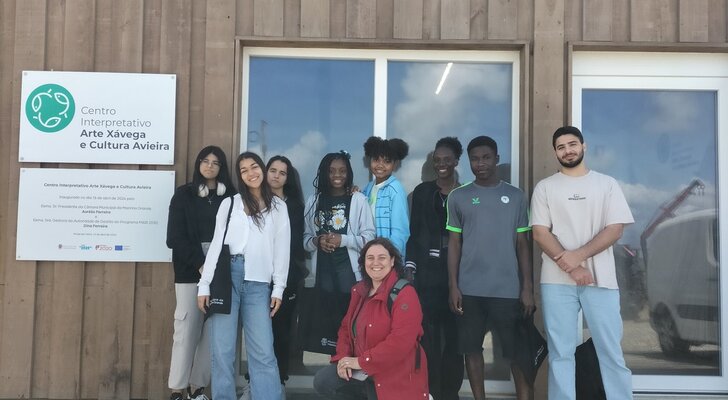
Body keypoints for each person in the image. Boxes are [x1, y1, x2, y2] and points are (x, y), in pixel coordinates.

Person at [530, 126, 634, 400]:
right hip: (556, 282)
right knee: (560, 353)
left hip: (601, 281)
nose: (568, 150)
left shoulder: (606, 184)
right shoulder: (545, 187)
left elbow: (615, 229)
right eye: (561, 147)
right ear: (555, 152)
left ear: (583, 146)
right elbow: (540, 233)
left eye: (572, 144)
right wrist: (573, 267)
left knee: (610, 351)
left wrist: (578, 256)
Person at [446, 136, 535, 400]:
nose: (480, 163)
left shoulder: (516, 196)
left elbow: (523, 244)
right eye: (475, 159)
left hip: (507, 290)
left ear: (496, 159)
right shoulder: (458, 196)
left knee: (517, 354)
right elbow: (454, 244)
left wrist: (527, 288)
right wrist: (453, 286)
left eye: (486, 158)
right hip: (470, 290)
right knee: (472, 350)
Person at [197, 152, 290, 400]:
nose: (251, 173)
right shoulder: (230, 204)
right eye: (244, 170)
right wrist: (204, 285)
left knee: (263, 351)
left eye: (254, 166)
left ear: (262, 168)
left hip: (259, 283)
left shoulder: (279, 207)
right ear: (240, 176)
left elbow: (282, 249)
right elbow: (216, 246)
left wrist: (279, 287)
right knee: (222, 351)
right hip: (226, 279)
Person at [313, 238, 429, 400]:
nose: (376, 263)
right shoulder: (360, 290)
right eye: (370, 258)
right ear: (363, 262)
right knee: (324, 381)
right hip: (363, 370)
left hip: (393, 373)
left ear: (392, 261)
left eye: (382, 258)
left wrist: (362, 362)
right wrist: (343, 360)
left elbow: (400, 342)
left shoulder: (405, 294)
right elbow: (346, 329)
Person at [166, 145, 235, 400]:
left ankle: (198, 389)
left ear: (221, 168)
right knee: (185, 330)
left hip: (221, 274)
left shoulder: (231, 198)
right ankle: (177, 390)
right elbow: (174, 238)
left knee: (211, 334)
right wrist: (200, 264)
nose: (209, 166)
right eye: (205, 161)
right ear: (198, 164)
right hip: (189, 273)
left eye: (215, 163)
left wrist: (215, 268)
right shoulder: (183, 195)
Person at [239, 155, 307, 400]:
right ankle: (253, 384)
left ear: (288, 178)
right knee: (258, 335)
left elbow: (294, 244)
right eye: (273, 170)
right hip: (256, 277)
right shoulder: (250, 201)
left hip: (286, 278)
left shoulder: (294, 206)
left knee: (281, 332)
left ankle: (279, 383)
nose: (276, 176)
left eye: (282, 172)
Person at [406, 137, 465, 400]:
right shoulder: (422, 192)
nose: (441, 164)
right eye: (437, 160)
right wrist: (410, 269)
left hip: (457, 275)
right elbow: (414, 233)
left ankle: (450, 394)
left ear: (456, 161)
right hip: (427, 276)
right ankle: (429, 392)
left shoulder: (465, 193)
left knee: (454, 341)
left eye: (447, 159)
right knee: (427, 340)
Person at [299, 151, 375, 355]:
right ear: (324, 173)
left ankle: (352, 371)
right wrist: (317, 241)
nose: (337, 175)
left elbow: (369, 238)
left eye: (342, 171)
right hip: (323, 280)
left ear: (348, 173)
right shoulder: (314, 201)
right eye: (331, 171)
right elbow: (305, 240)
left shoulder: (357, 200)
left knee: (351, 331)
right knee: (329, 335)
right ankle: (336, 372)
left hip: (350, 280)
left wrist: (344, 240)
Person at [361, 136, 410, 258]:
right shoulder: (367, 188)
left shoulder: (396, 190)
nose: (380, 165)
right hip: (370, 256)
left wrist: (389, 257)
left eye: (387, 161)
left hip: (387, 258)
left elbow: (400, 232)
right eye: (376, 160)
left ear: (394, 164)